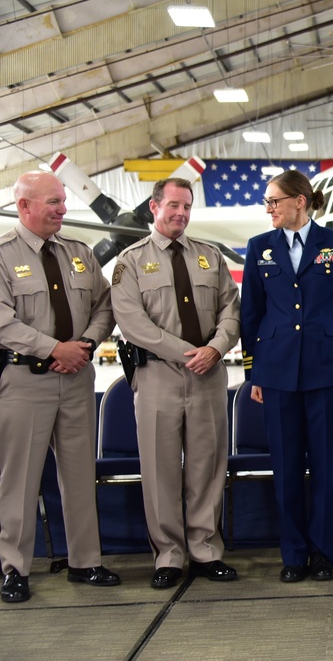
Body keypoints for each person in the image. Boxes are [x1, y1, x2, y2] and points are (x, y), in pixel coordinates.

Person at [111, 177, 241, 588]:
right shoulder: (130, 261)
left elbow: (231, 311)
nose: (181, 214)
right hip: (157, 378)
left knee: (207, 465)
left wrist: (217, 348)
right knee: (160, 468)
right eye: (173, 206)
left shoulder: (210, 257)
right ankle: (168, 555)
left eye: (186, 207)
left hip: (208, 375)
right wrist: (190, 353)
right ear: (154, 207)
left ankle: (205, 550)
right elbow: (132, 323)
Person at [0, 171, 121, 603]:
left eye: (63, 201)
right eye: (52, 202)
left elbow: (106, 305)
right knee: (20, 480)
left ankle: (85, 561)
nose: (63, 209)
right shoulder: (2, 254)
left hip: (76, 380)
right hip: (25, 382)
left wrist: (86, 344)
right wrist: (56, 348)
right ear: (24, 206)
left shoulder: (79, 253)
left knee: (78, 474)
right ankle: (14, 568)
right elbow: (3, 322)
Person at [241, 170, 333, 583]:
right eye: (267, 202)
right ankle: (293, 554)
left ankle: (323, 553)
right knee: (286, 467)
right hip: (277, 370)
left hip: (327, 367)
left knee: (327, 466)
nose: (269, 208)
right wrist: (254, 374)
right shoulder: (259, 248)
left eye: (274, 201)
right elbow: (250, 313)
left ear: (300, 201)